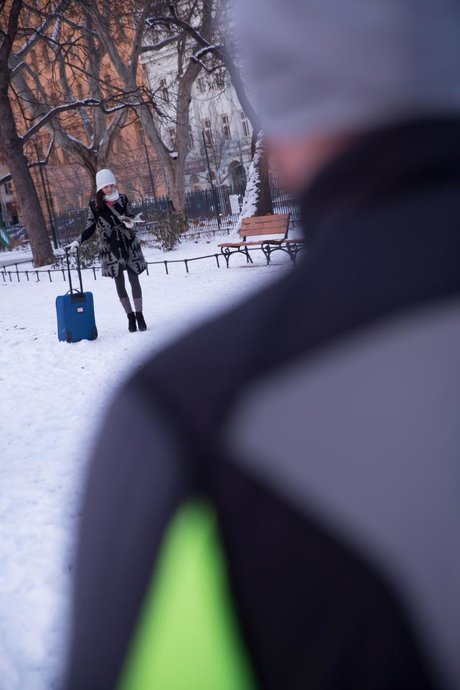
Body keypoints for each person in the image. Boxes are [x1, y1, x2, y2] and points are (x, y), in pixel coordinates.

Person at [63, 1, 460, 689]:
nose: (111, 189)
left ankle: (133, 315)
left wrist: (122, 220)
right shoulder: (188, 411)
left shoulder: (192, 416)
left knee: (136, 295)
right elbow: (99, 234)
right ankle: (127, 316)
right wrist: (94, 232)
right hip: (117, 265)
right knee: (126, 294)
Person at [68, 169, 148, 332]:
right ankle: (130, 317)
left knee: (134, 279)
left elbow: (131, 217)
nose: (110, 189)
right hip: (110, 247)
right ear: (100, 188)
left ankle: (140, 315)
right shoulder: (94, 205)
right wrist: (78, 241)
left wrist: (131, 222)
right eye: (106, 187)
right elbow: (90, 227)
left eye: (111, 185)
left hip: (128, 243)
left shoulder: (124, 199)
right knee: (119, 282)